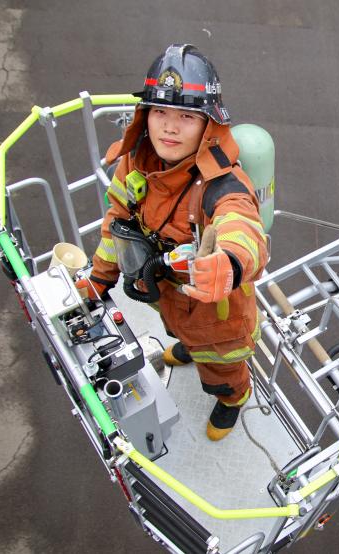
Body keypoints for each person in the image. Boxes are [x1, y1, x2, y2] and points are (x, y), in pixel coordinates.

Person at [78, 44, 268, 441]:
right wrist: (99, 278)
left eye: (186, 116)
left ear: (208, 126)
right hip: (168, 296)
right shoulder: (137, 162)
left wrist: (230, 262)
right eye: (160, 112)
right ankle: (186, 347)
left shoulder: (222, 185)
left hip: (216, 315)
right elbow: (117, 221)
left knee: (222, 365)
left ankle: (233, 397)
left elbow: (242, 225)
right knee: (180, 333)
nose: (169, 127)